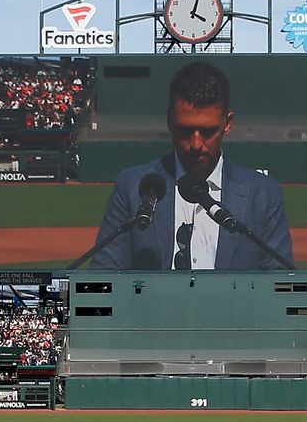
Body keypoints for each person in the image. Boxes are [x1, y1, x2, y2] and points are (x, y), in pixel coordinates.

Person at [86, 60, 293, 271]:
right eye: (185, 130)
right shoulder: (131, 186)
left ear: (227, 124)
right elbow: (104, 275)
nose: (195, 144)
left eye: (208, 131)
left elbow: (281, 282)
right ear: (169, 121)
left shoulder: (264, 194)